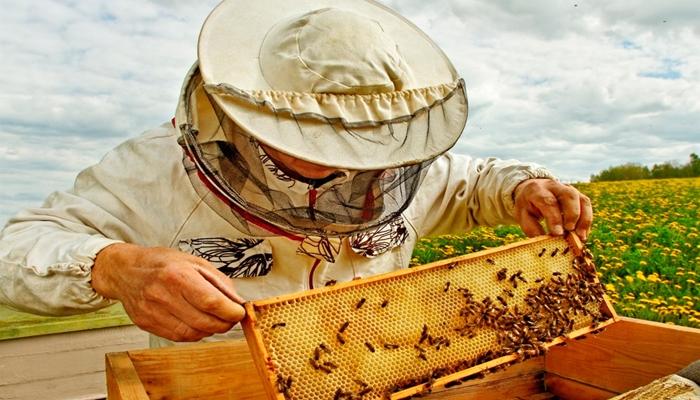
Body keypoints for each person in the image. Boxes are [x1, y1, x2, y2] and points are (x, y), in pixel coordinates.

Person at [0, 0, 591, 348]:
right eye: (314, 138)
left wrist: (523, 184)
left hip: (376, 370)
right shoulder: (149, 168)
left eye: (356, 141)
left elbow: (472, 180)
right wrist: (114, 266)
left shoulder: (400, 164)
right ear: (248, 112)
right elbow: (16, 250)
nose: (339, 160)